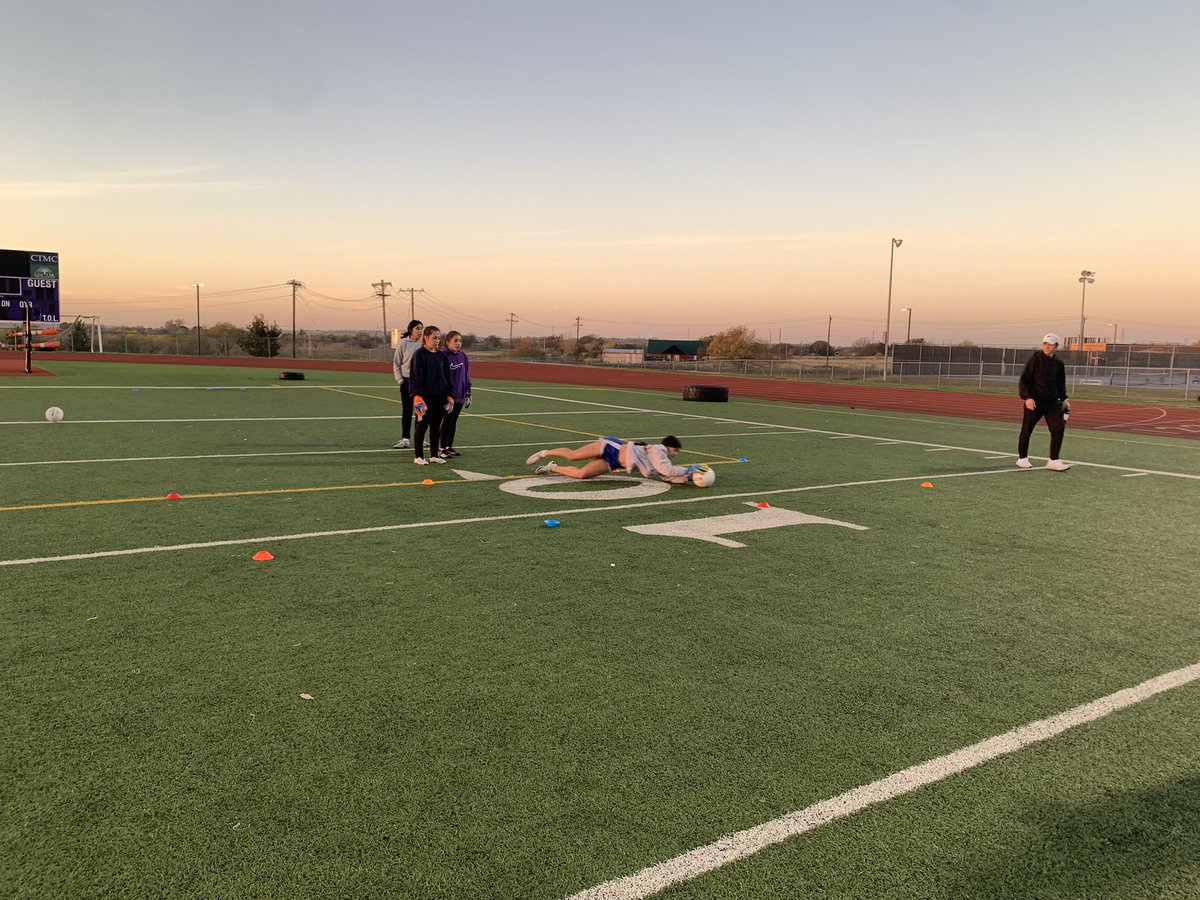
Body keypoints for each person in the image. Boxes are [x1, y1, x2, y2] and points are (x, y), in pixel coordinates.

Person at [525, 435, 703, 483]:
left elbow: (667, 475)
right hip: (611, 447)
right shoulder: (659, 450)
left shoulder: (661, 460)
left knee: (581, 475)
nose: (676, 454)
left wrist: (687, 478)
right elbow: (667, 470)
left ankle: (552, 467)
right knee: (573, 456)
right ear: (669, 446)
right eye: (676, 451)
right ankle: (545, 453)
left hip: (614, 462)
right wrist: (688, 469)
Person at [1017, 333, 1071, 471]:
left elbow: (1061, 383)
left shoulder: (1058, 364)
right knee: (1027, 429)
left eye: (1050, 344)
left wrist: (1064, 398)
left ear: (1056, 346)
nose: (1047, 346)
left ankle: (1054, 460)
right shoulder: (1034, 359)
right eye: (1045, 343)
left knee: (1058, 429)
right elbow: (1024, 380)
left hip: (1052, 403)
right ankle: (1022, 458)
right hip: (1035, 401)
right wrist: (1027, 397)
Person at [407, 325, 454, 465]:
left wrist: (450, 396)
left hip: (440, 397)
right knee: (422, 425)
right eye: (434, 338)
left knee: (435, 426)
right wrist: (417, 396)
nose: (437, 340)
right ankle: (419, 456)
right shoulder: (419, 355)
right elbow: (415, 377)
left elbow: (447, 376)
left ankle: (434, 455)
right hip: (424, 398)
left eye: (439, 338)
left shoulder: (442, 356)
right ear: (426, 338)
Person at [439, 330, 472, 458]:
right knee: (446, 421)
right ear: (448, 342)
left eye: (460, 341)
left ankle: (449, 446)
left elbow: (466, 375)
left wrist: (468, 391)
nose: (458, 343)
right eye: (455, 341)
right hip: (448, 395)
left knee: (453, 421)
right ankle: (441, 448)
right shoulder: (443, 355)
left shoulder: (463, 356)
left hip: (460, 394)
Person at [391, 319, 423, 449]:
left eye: (421, 328)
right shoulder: (403, 344)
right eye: (418, 328)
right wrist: (401, 380)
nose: (420, 331)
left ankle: (419, 437)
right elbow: (396, 363)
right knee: (407, 411)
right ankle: (405, 438)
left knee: (420, 411)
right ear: (411, 330)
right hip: (407, 382)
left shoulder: (424, 344)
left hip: (421, 383)